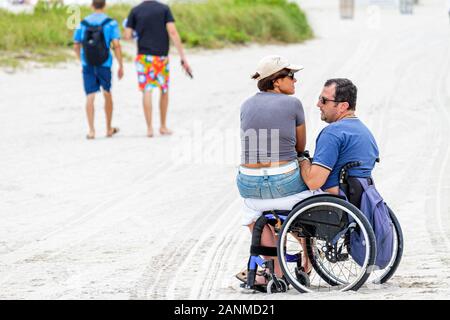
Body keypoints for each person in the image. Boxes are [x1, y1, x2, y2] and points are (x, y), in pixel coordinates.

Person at [236, 55, 317, 289]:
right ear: (275, 81)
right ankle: (307, 256)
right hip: (284, 182)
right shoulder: (293, 104)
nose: (295, 81)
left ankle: (276, 271)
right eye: (291, 76)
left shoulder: (246, 105)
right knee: (312, 195)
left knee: (253, 214)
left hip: (250, 184)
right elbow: (300, 147)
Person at [299, 78, 379, 196]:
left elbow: (313, 182)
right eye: (319, 98)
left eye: (324, 100)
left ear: (343, 106)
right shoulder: (365, 133)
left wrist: (302, 161)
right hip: (358, 202)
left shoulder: (333, 133)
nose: (318, 104)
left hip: (332, 204)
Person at [124, 0, 192, 138]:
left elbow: (127, 36)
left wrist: (133, 30)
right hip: (161, 57)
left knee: (147, 90)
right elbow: (172, 32)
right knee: (164, 90)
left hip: (143, 57)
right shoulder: (164, 9)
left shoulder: (135, 10)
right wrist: (182, 56)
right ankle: (163, 126)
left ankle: (149, 128)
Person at [73, 0, 123, 140]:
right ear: (105, 6)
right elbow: (117, 45)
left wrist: (80, 59)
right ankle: (108, 128)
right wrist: (121, 64)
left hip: (87, 63)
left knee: (90, 95)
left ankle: (91, 131)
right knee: (107, 93)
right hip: (104, 63)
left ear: (92, 6)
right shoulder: (111, 23)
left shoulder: (82, 23)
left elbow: (76, 44)